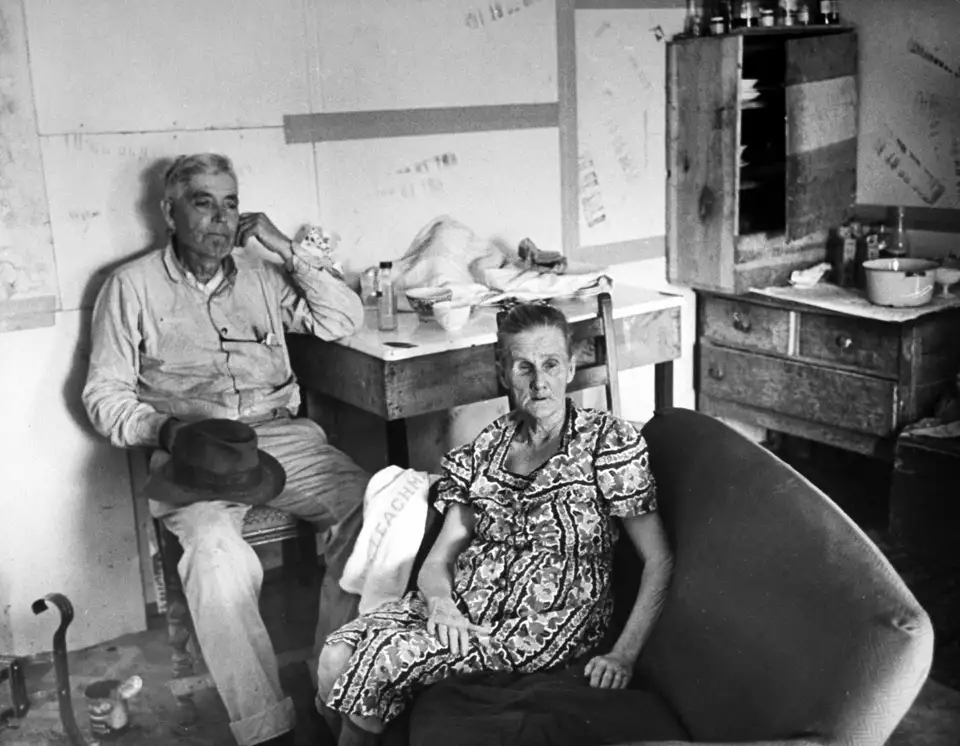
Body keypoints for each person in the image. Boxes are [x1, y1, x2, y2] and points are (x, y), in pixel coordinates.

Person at [82, 153, 371, 746]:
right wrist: (166, 431)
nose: (221, 218)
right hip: (194, 449)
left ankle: (333, 687)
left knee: (376, 512)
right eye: (204, 203)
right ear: (169, 212)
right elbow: (103, 396)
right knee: (214, 557)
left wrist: (285, 247)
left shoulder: (262, 275)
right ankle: (267, 728)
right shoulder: (131, 286)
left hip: (281, 437)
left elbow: (343, 319)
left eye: (231, 204)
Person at [316, 302, 674, 745]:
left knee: (382, 662)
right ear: (504, 372)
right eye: (524, 367)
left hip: (539, 626)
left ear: (570, 367)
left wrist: (624, 655)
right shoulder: (487, 446)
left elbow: (658, 559)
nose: (539, 381)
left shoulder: (607, 442)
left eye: (550, 364)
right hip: (462, 608)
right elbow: (440, 557)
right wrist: (441, 604)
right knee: (336, 654)